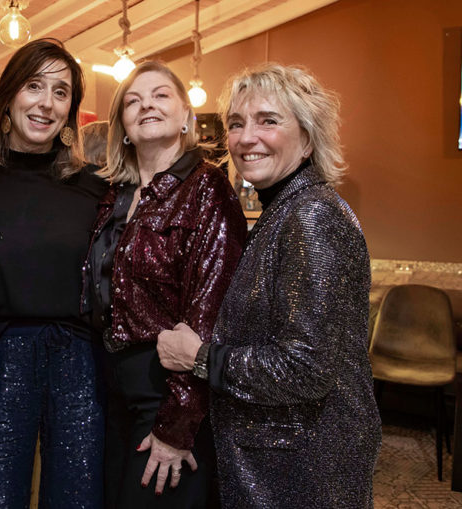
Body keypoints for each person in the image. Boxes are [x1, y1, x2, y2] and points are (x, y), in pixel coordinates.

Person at [157, 63, 381, 508]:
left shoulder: (312, 215)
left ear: (309, 137)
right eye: (236, 124)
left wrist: (200, 357)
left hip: (303, 470)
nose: (246, 138)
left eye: (268, 121)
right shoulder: (285, 210)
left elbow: (305, 369)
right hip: (284, 462)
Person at [83, 61, 246, 509]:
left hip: (168, 393)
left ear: (186, 116)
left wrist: (178, 424)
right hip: (111, 390)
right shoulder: (116, 194)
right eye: (133, 101)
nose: (146, 106)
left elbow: (211, 314)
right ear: (122, 125)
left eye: (160, 95)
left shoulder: (207, 188)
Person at [0, 38, 107, 509]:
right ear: (9, 96)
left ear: (70, 110)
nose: (46, 103)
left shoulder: (95, 188)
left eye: (60, 92)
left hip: (79, 362)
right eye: (34, 86)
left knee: (78, 498)